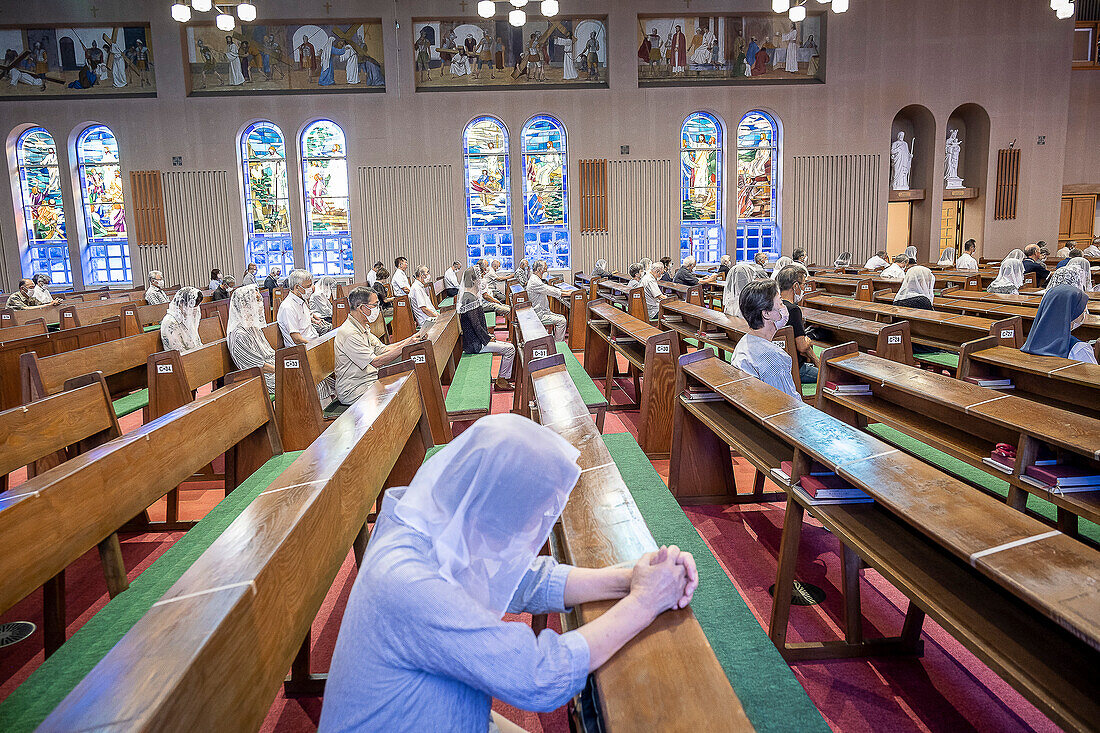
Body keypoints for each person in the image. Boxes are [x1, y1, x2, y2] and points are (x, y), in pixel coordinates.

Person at [319, 414, 697, 733]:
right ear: (488, 515)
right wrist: (644, 602)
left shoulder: (432, 517)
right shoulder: (406, 581)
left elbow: (522, 578)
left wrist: (627, 578)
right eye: (521, 532)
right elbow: (536, 674)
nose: (522, 544)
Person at [334, 287, 428, 405]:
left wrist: (412, 339)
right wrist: (406, 346)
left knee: (410, 383)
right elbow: (376, 362)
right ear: (362, 308)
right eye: (375, 305)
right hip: (355, 389)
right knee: (403, 393)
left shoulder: (362, 326)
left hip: (370, 380)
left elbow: (383, 349)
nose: (378, 309)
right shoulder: (350, 333)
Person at [730, 280, 801, 399]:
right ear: (767, 314)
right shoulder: (773, 357)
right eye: (780, 302)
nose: (784, 307)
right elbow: (789, 402)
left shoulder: (744, 341)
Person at [458, 268, 516, 391]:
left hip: (478, 340)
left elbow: (478, 325)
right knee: (510, 349)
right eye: (478, 277)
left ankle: (502, 379)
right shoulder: (469, 298)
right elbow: (476, 325)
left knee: (508, 347)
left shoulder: (470, 295)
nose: (480, 280)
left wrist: (488, 336)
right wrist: (487, 338)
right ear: (473, 280)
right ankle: (501, 381)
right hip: (475, 344)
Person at [1021, 286, 1096, 364]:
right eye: (1083, 309)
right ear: (1071, 313)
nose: (1085, 312)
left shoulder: (1029, 344)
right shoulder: (1079, 349)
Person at [227, 284, 277, 394]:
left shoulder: (253, 327)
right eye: (256, 301)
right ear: (244, 305)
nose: (261, 305)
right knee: (301, 378)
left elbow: (269, 353)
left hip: (272, 370)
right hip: (261, 378)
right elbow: (256, 366)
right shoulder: (239, 334)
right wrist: (282, 370)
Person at [777, 265, 819, 385]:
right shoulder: (793, 310)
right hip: (794, 368)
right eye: (803, 285)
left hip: (777, 364)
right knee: (830, 376)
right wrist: (809, 341)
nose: (804, 288)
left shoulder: (773, 305)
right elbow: (802, 346)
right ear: (795, 286)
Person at [278, 269, 325, 346]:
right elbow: (296, 338)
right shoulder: (288, 307)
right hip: (301, 349)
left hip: (312, 340)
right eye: (308, 286)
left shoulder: (301, 300)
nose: (311, 289)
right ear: (297, 287)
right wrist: (315, 345)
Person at [526, 261, 567, 341]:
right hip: (539, 315)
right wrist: (564, 293)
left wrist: (564, 292)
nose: (546, 271)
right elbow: (549, 290)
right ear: (539, 269)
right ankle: (557, 345)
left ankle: (555, 341)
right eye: (545, 269)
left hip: (542, 311)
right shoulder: (535, 281)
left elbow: (548, 288)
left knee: (561, 317)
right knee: (562, 321)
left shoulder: (535, 278)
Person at [160, 287, 204, 354]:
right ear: (181, 303)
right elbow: (176, 350)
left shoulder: (187, 319)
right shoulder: (170, 322)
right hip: (179, 359)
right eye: (192, 306)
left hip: (193, 355)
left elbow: (196, 341)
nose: (195, 310)